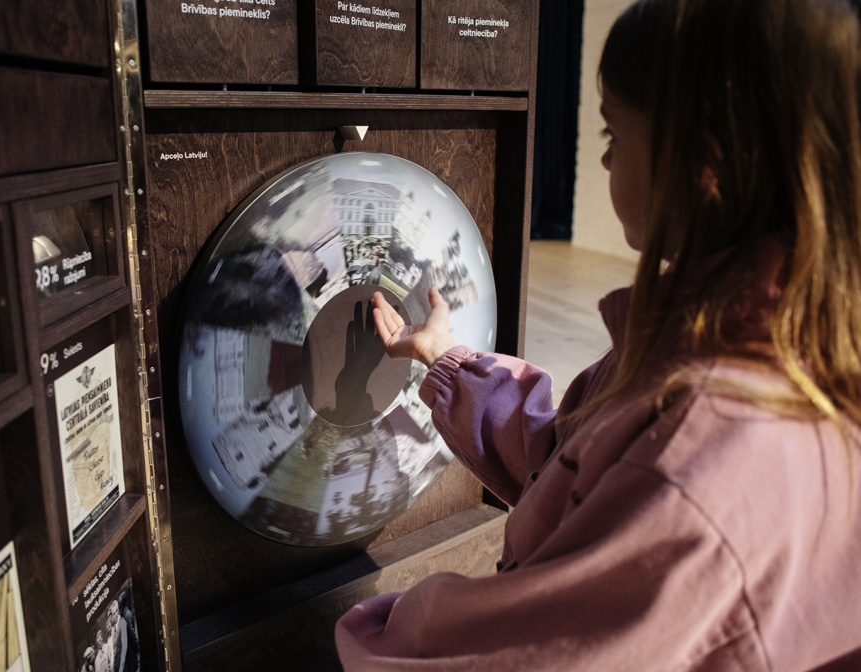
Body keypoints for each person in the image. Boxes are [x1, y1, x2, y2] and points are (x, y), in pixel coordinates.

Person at [335, 0, 861, 669]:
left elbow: (530, 650)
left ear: (704, 160)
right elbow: (563, 462)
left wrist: (384, 626)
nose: (606, 161)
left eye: (614, 133)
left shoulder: (700, 456)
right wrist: (442, 357)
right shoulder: (734, 345)